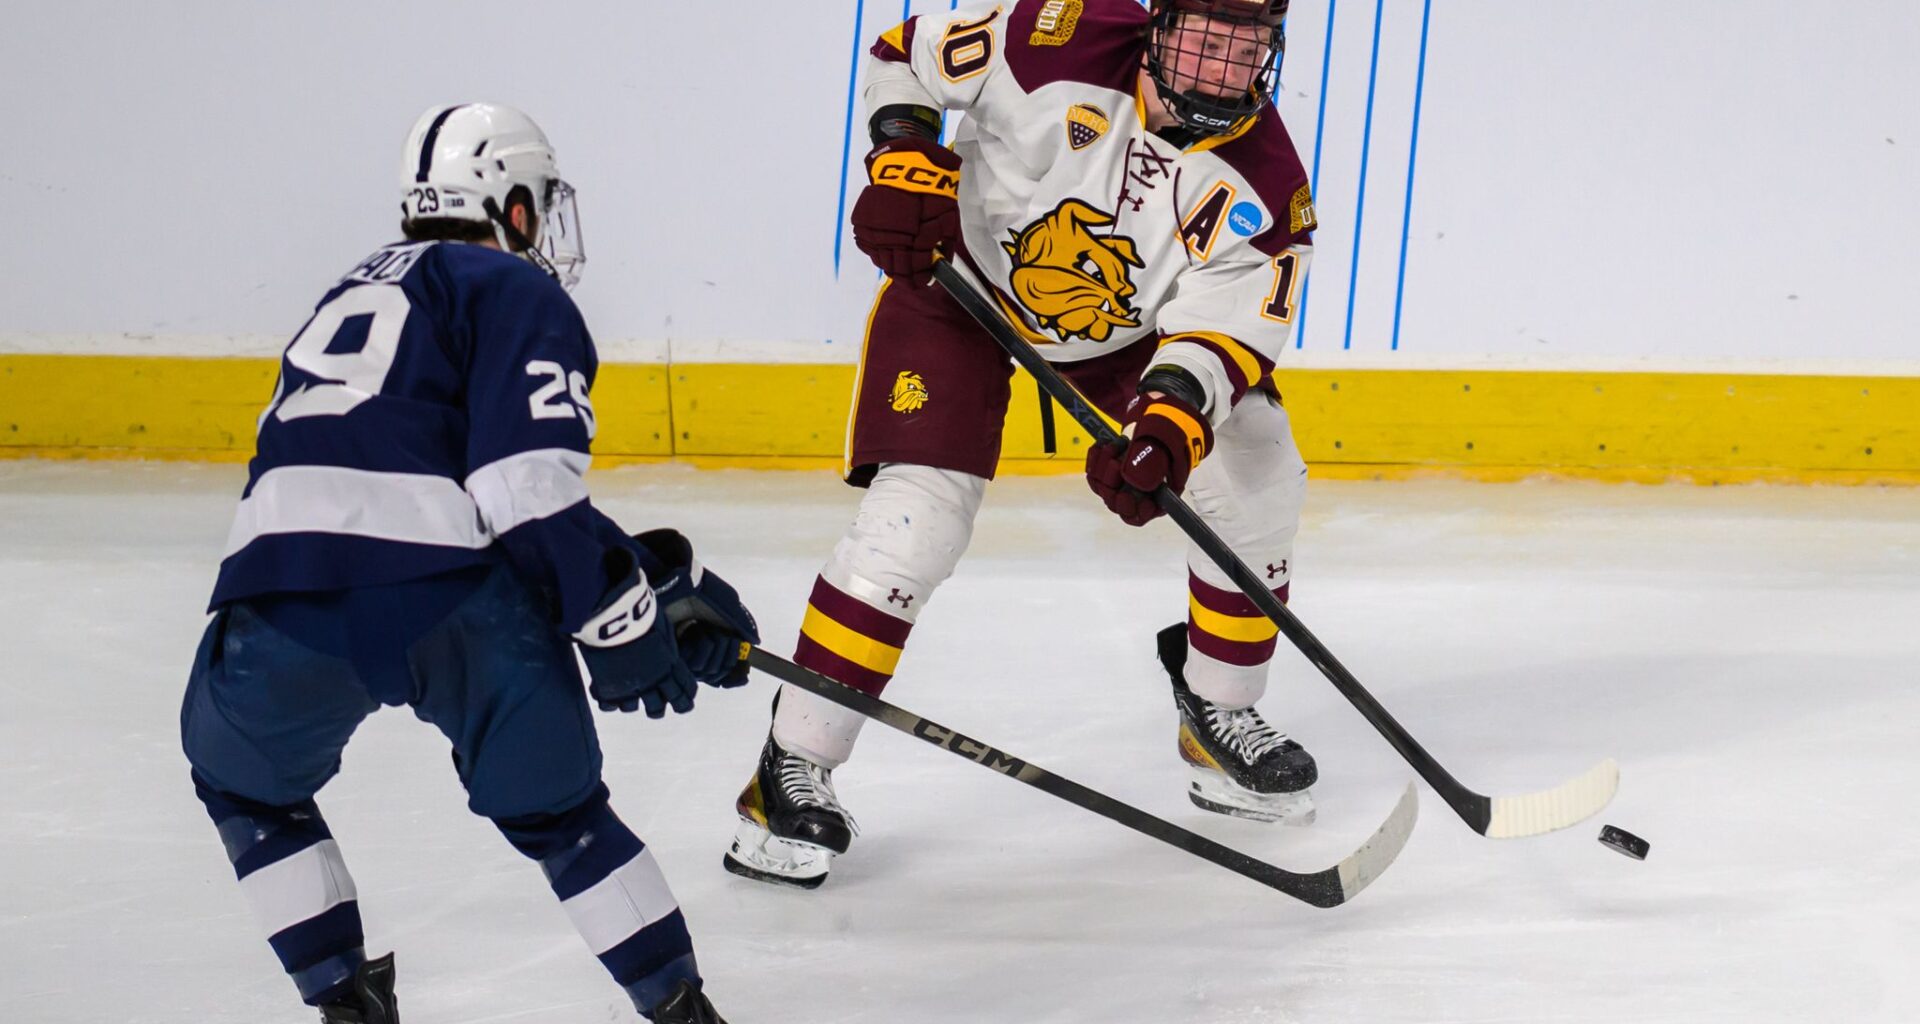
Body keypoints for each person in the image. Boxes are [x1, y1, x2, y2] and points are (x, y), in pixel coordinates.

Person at [722, 0, 1321, 890]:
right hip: (957, 292)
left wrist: (1167, 422)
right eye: (1203, 33)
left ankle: (1219, 713)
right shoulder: (1058, 33)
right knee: (914, 527)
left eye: (1246, 45)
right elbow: (903, 54)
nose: (1220, 63)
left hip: (1125, 341)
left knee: (1259, 465)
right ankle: (793, 764)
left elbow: (1223, 331)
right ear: (1160, 23)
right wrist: (901, 157)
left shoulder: (1268, 184)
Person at [180, 103, 754, 1023]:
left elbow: (407, 467)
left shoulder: (348, 289)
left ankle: (343, 1004)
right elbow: (520, 490)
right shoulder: (513, 289)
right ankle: (683, 1013)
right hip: (450, 602)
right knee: (563, 819)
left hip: (280, 592)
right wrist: (617, 614)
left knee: (246, 785)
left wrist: (640, 569)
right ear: (512, 204)